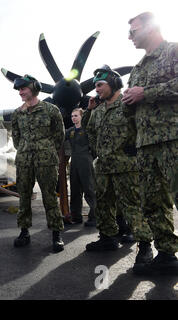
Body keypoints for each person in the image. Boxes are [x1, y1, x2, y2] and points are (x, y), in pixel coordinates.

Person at [122, 12, 178, 275]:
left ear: (150, 27)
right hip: (146, 146)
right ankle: (167, 254)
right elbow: (134, 111)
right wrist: (127, 102)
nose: (129, 37)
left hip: (173, 139)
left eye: (133, 31)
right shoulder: (137, 69)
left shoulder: (173, 51)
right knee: (153, 203)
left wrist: (146, 92)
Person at [84, 66, 153, 268]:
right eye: (95, 86)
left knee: (132, 207)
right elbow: (90, 132)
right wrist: (98, 150)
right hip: (104, 167)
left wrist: (135, 148)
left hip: (127, 166)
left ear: (113, 83)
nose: (96, 89)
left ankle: (145, 246)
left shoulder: (128, 104)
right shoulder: (97, 111)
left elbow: (144, 125)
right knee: (103, 204)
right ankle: (108, 238)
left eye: (100, 85)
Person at [10, 75, 65, 253]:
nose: (20, 92)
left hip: (46, 160)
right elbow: (16, 138)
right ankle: (24, 232)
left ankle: (56, 234)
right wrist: (26, 149)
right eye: (19, 90)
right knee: (24, 196)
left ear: (33, 88)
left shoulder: (51, 110)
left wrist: (46, 148)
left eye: (23, 88)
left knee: (49, 196)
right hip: (24, 160)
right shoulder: (18, 113)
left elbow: (59, 135)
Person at [63, 108, 96, 227]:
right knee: (75, 189)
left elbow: (88, 119)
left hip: (85, 160)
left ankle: (94, 216)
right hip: (74, 161)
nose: (73, 118)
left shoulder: (87, 129)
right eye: (72, 116)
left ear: (82, 117)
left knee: (89, 188)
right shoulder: (70, 131)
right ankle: (76, 216)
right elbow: (58, 137)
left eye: (76, 115)